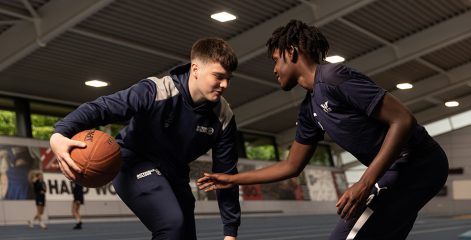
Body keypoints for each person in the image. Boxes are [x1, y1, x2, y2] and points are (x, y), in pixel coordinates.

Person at [197, 20, 449, 240]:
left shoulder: (334, 77)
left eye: (276, 60)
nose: (274, 69)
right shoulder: (309, 109)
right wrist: (230, 179)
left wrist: (363, 183)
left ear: (291, 52)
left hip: (419, 164)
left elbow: (403, 119)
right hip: (402, 172)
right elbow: (291, 166)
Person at [50, 37, 241, 240]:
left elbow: (226, 174)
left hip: (175, 172)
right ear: (195, 69)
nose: (225, 84)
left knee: (184, 233)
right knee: (171, 224)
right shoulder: (156, 90)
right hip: (134, 162)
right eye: (218, 76)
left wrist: (230, 231)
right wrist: (59, 134)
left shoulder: (224, 116)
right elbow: (102, 107)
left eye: (229, 78)